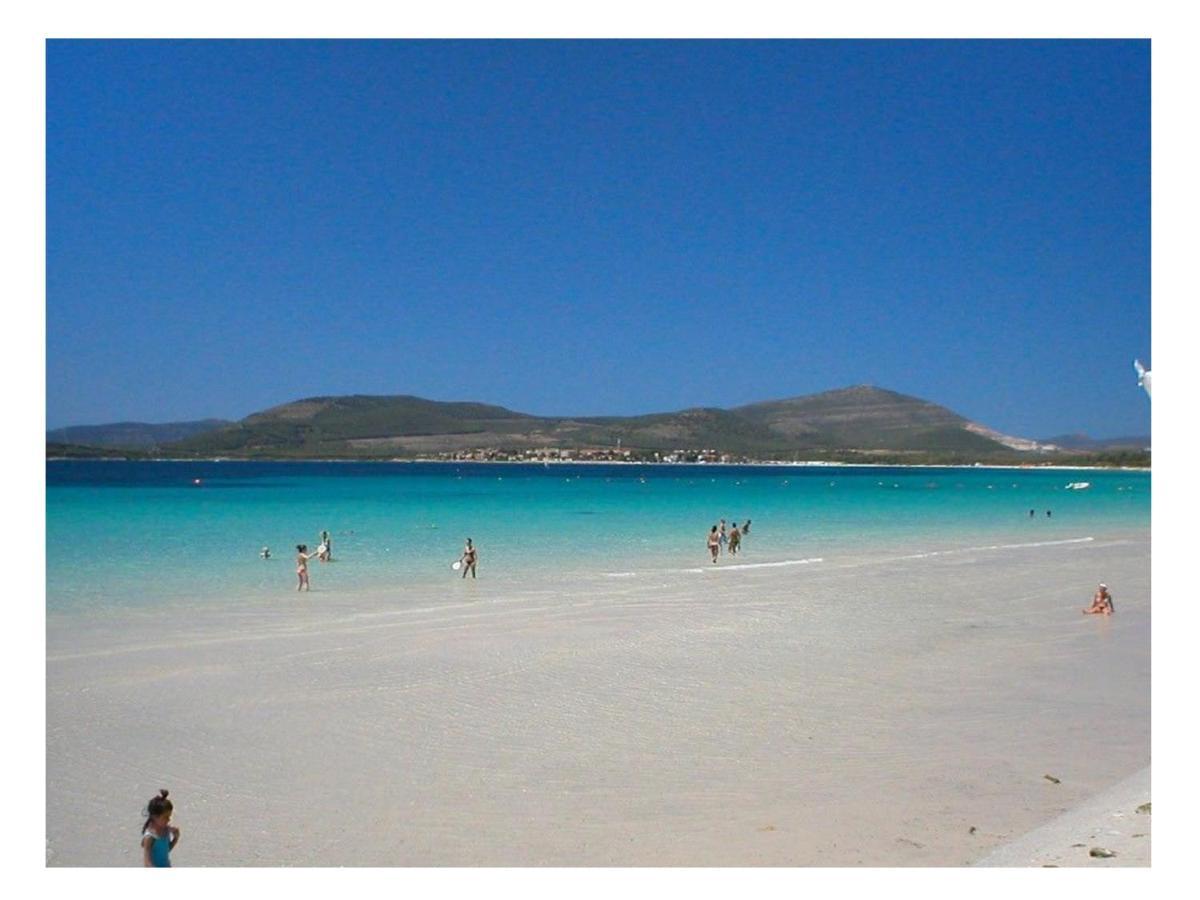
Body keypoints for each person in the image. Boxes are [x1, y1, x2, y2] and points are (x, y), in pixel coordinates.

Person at [141, 789, 179, 867]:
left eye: (169, 816)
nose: (169, 819)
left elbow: (165, 851)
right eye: (165, 817)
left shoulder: (166, 830)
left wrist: (175, 838)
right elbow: (147, 862)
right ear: (155, 817)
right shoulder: (150, 837)